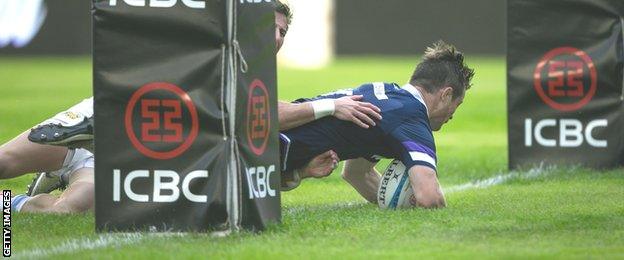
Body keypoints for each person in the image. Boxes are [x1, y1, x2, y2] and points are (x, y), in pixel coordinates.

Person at [1, 1, 380, 213]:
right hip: (102, 121)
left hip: (124, 160)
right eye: (270, 25)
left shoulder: (257, 81)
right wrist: (330, 107)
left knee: (67, 212)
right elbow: (255, 112)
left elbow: (235, 163)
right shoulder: (213, 50)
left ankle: (14, 201)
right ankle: (62, 161)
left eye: (283, 31)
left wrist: (294, 174)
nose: (277, 36)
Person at [280, 41, 474, 208]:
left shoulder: (387, 96)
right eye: (457, 104)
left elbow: (356, 174)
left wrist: (393, 199)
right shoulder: (412, 118)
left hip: (268, 156)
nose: (452, 115)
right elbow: (429, 198)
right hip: (269, 148)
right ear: (446, 94)